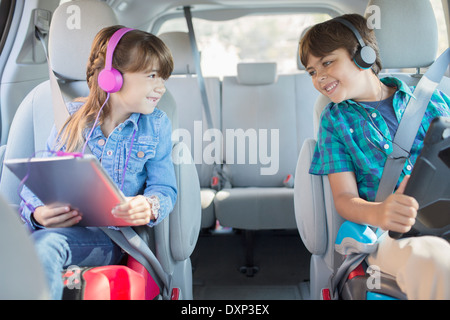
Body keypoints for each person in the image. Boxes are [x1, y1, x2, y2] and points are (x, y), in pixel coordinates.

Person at [19, 26, 177, 299]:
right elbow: (37, 181)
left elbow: (165, 189)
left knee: (45, 247)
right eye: (152, 76)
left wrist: (149, 205)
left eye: (162, 78)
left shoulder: (156, 125)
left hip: (112, 238)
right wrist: (37, 214)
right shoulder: (69, 120)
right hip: (64, 229)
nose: (161, 87)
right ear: (111, 78)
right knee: (38, 242)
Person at [299, 14, 450, 299]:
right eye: (311, 71)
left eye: (327, 62)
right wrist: (380, 212)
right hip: (392, 237)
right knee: (436, 260)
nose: (319, 77)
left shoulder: (436, 99)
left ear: (363, 56)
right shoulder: (335, 122)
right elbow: (344, 199)